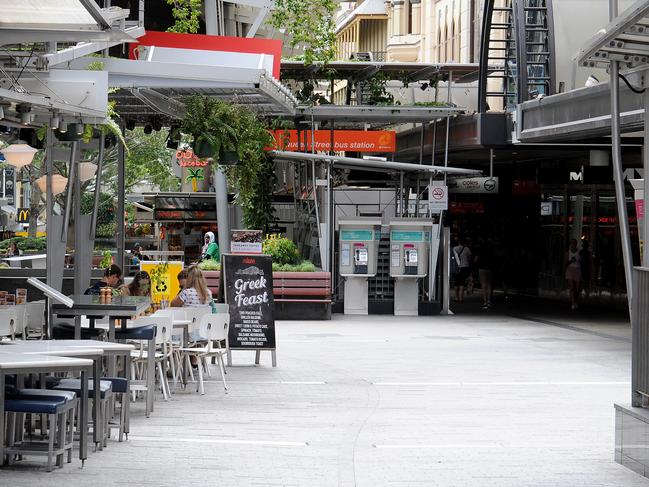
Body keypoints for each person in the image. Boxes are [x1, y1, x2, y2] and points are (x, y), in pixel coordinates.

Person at [475, 238, 494, 309]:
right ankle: (489, 301)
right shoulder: (491, 249)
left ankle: (485, 302)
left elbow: (476, 259)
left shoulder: (480, 249)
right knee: (489, 285)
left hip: (482, 268)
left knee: (483, 285)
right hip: (490, 268)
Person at [453, 238, 472, 303]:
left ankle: (456, 297)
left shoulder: (454, 248)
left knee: (456, 282)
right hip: (465, 267)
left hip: (456, 267)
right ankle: (461, 298)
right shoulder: (467, 249)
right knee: (462, 282)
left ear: (458, 242)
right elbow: (469, 258)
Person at [565, 238, 582, 310]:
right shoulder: (568, 253)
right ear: (570, 244)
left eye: (574, 243)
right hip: (570, 270)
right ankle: (573, 303)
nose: (573, 244)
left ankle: (576, 301)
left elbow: (582, 262)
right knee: (572, 288)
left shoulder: (579, 252)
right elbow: (565, 263)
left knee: (577, 288)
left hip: (577, 270)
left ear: (576, 244)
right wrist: (571, 261)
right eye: (572, 243)